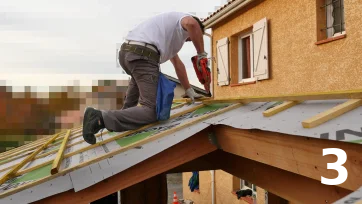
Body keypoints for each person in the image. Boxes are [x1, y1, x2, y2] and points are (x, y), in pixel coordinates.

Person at [82, 12, 207, 144]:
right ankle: (99, 117)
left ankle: (112, 120)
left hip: (129, 53)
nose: (189, 40)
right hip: (143, 56)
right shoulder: (187, 21)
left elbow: (178, 64)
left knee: (131, 103)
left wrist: (188, 90)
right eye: (192, 38)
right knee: (151, 111)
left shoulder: (168, 34)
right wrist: (201, 54)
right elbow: (192, 24)